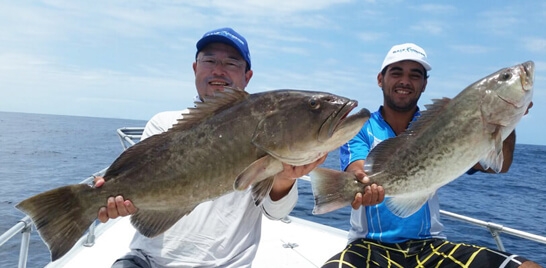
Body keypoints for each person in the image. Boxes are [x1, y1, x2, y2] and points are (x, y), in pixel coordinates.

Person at [94, 27, 326, 268]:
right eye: (210, 60)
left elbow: (276, 213)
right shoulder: (162, 123)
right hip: (148, 261)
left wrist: (286, 179)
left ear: (247, 76)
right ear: (195, 68)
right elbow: (135, 188)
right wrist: (110, 198)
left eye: (231, 63)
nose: (218, 70)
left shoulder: (272, 137)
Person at [321, 43, 540, 268]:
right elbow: (357, 171)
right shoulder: (359, 128)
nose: (405, 81)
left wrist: (508, 122)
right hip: (369, 246)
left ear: (424, 84)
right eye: (397, 72)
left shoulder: (445, 125)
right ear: (380, 79)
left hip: (430, 247)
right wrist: (362, 187)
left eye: (415, 75)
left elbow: (498, 166)